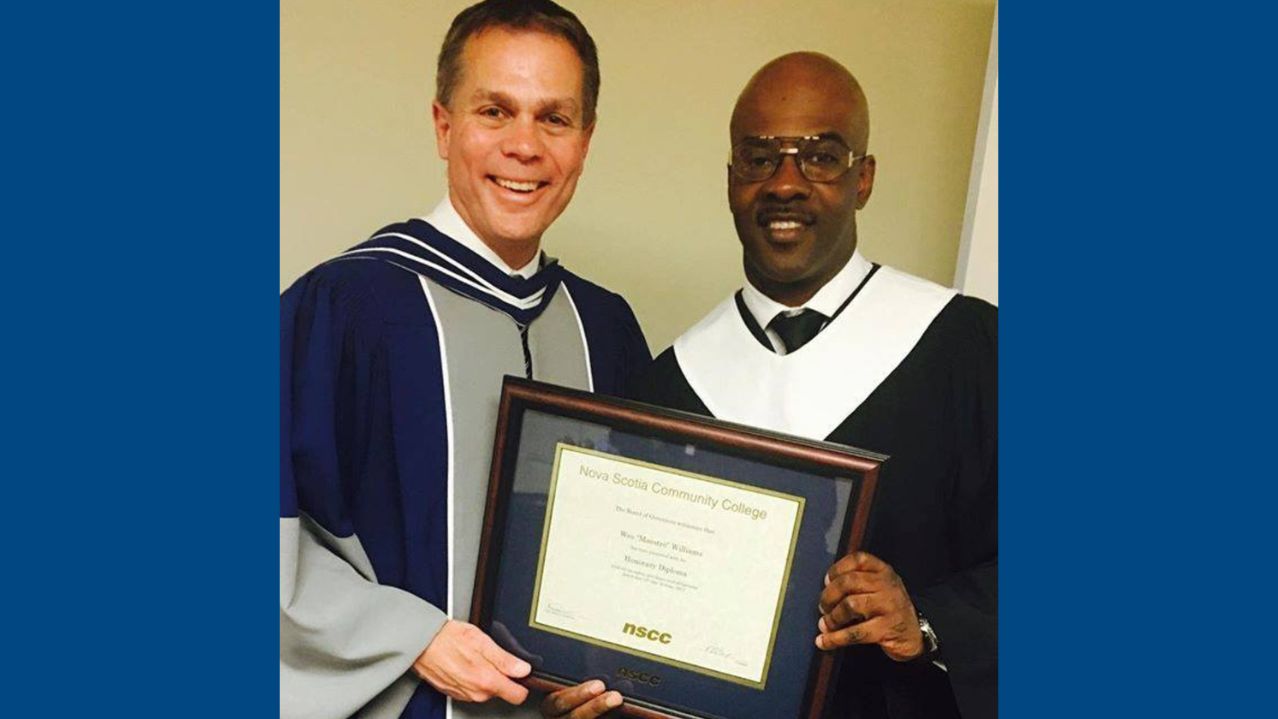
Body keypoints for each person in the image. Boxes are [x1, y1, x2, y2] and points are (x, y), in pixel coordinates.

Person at [543, 53, 995, 719]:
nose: (786, 183)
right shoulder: (663, 390)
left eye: (820, 155)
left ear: (863, 178)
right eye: (760, 158)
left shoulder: (972, 347)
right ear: (731, 182)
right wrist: (585, 685)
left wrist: (925, 622)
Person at [280, 3, 649, 719]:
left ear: (587, 139)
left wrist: (606, 678)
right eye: (494, 111)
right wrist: (408, 637)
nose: (525, 145)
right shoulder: (345, 309)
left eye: (554, 118)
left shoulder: (608, 329)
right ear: (444, 126)